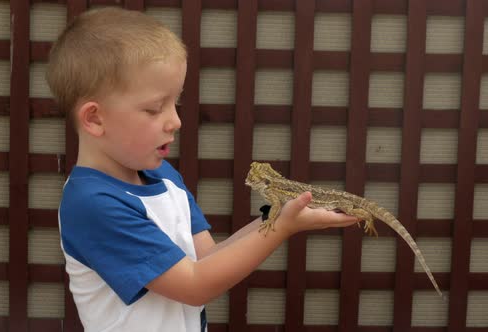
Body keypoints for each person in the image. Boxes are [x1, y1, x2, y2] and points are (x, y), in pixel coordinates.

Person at [47, 7, 358, 332]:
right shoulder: (93, 204)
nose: (176, 121)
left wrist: (278, 216)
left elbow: (208, 258)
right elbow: (196, 286)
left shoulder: (165, 177)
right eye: (155, 108)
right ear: (95, 118)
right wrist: (283, 228)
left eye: (175, 103)